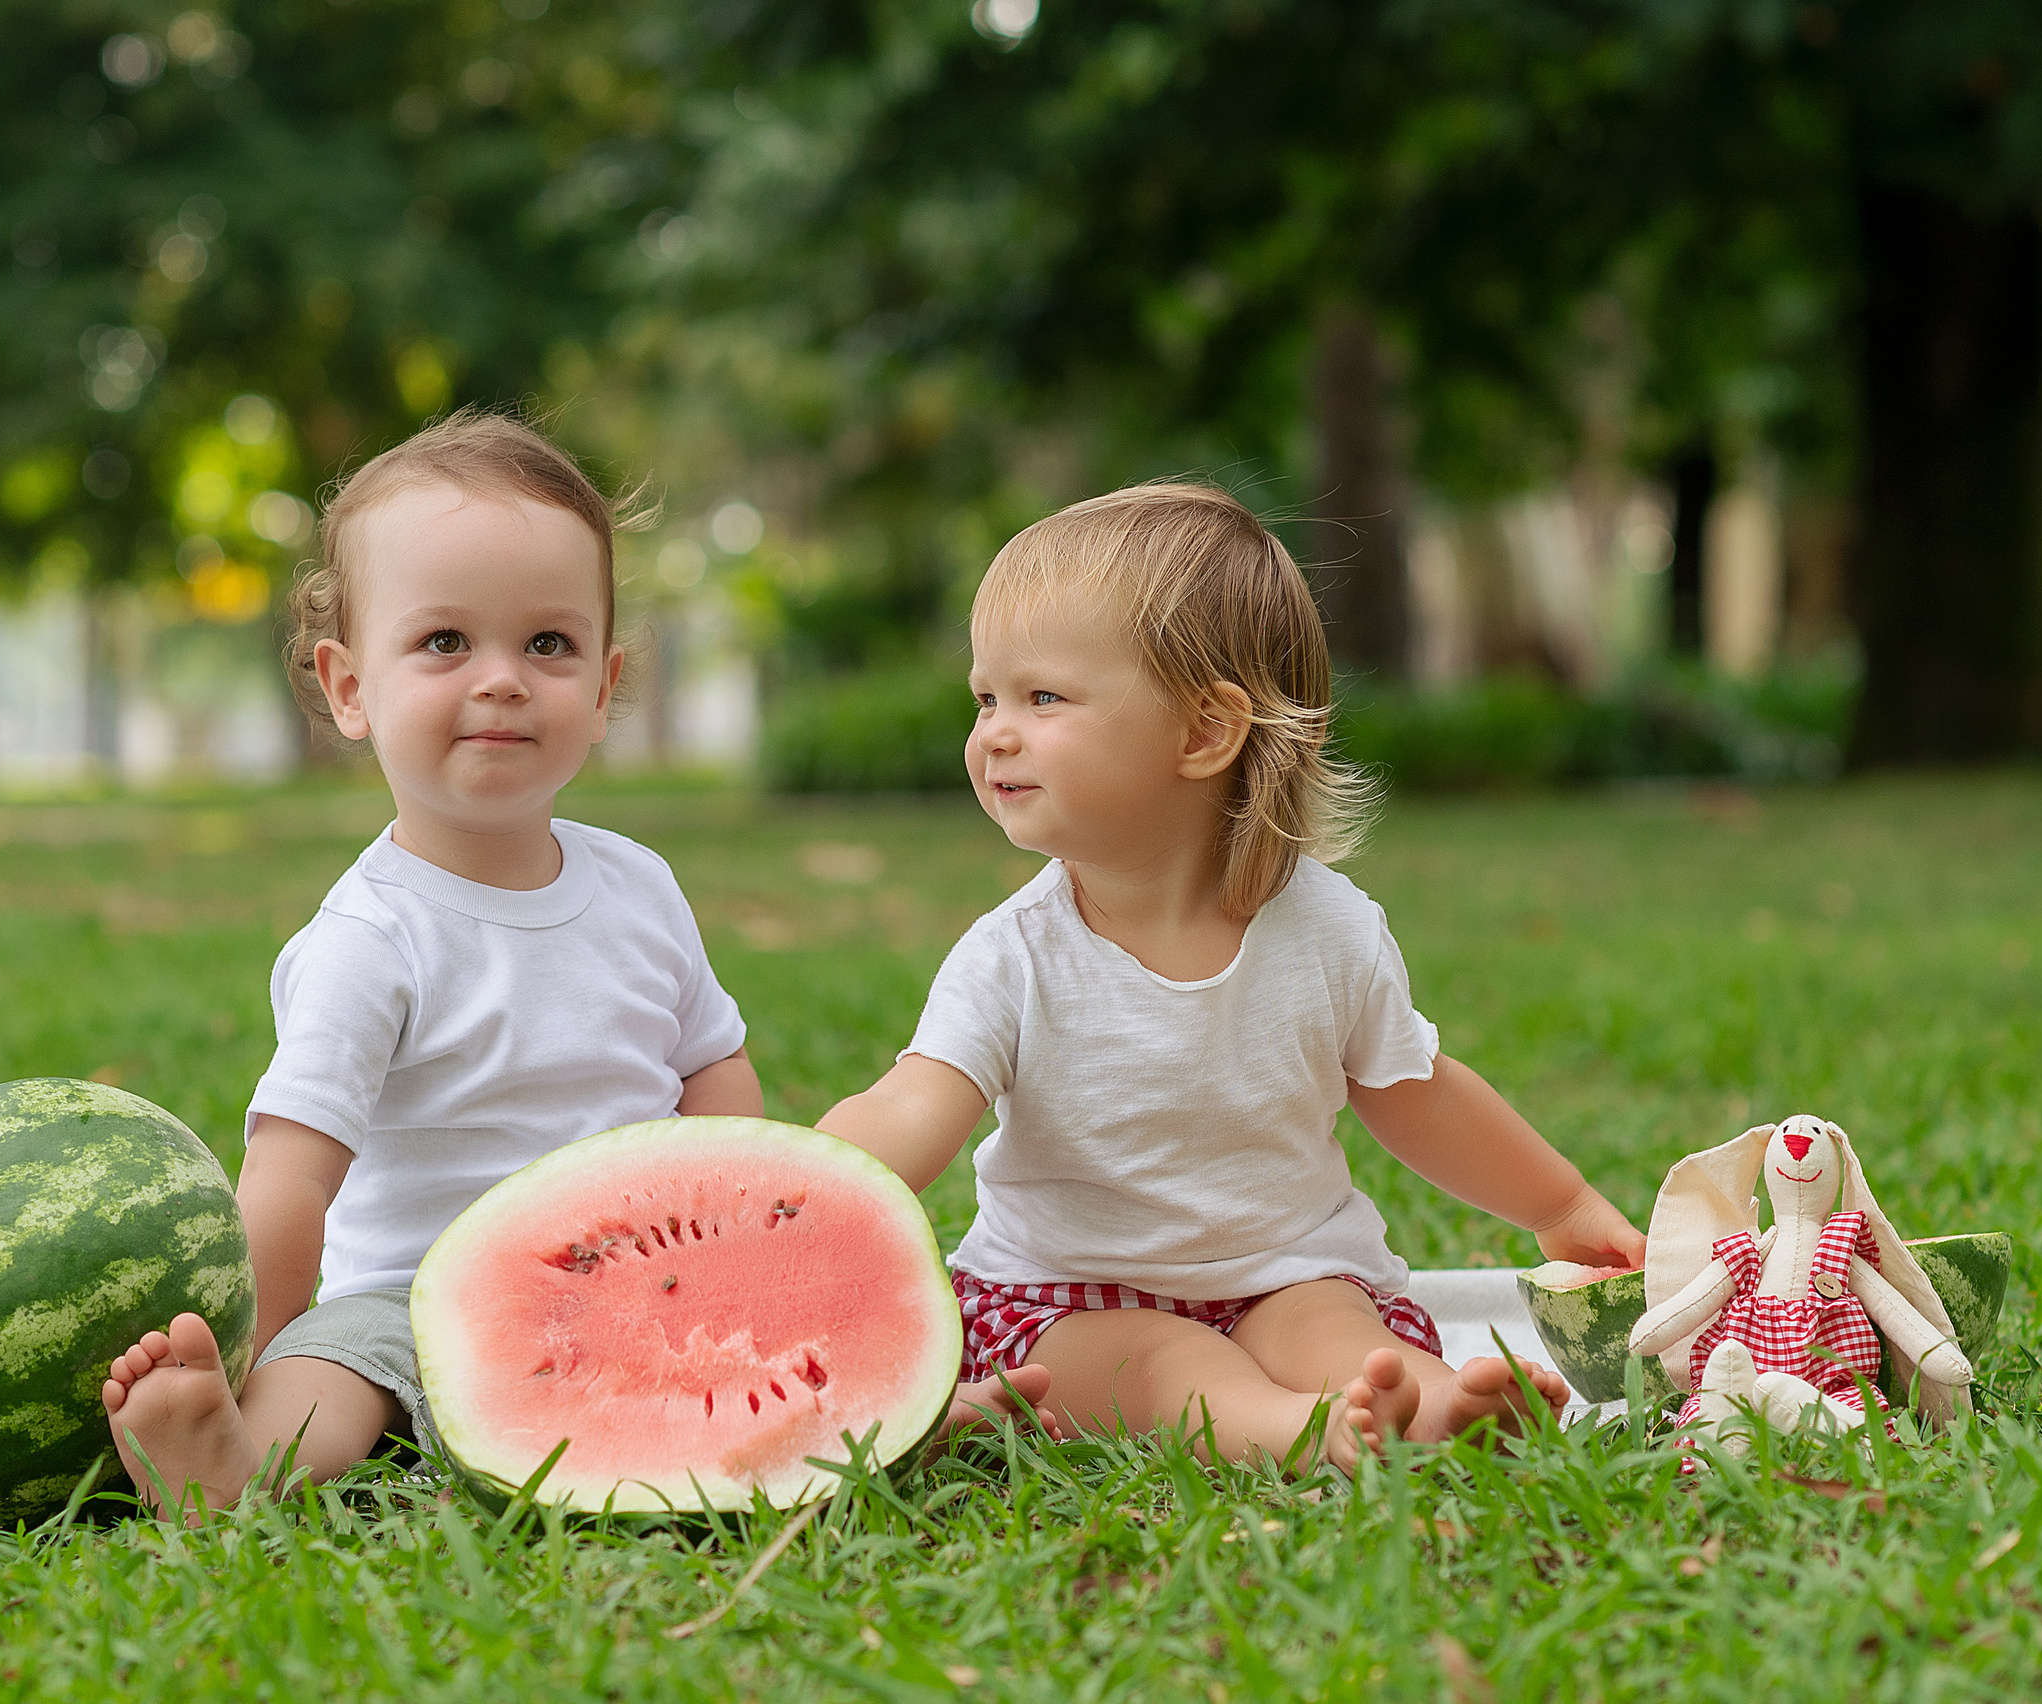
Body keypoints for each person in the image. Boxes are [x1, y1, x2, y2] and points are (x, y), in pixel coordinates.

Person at [101, 411, 1053, 1518]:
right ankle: (233, 1459)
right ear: (349, 687)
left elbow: (715, 1077)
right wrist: (253, 1347)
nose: (503, 680)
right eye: (445, 642)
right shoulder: (369, 939)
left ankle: (899, 1421)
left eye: (547, 645)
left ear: (602, 688)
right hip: (406, 1300)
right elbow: (290, 1174)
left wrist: (754, 1249)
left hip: (644, 1289)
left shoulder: (641, 887)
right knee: (337, 1382)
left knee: (773, 1357)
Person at [816, 483, 1646, 1474]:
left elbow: (1418, 1094)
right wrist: (807, 1190)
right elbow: (915, 1102)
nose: (994, 732)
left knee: (1334, 1330)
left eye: (1043, 699)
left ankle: (1431, 1405)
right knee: (1166, 1366)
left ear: (1205, 731)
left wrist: (1559, 1207)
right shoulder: (1013, 955)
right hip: (1065, 1300)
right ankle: (1307, 1436)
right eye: (985, 698)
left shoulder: (1331, 931)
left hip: (1285, 1274)